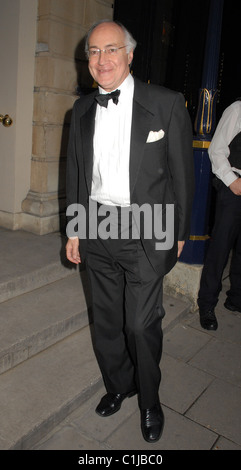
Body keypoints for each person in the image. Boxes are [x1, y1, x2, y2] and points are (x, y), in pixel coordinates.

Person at [65, 19, 194, 443]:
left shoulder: (167, 103)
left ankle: (150, 400)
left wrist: (179, 231)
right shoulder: (81, 109)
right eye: (94, 52)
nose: (102, 60)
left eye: (111, 49)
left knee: (140, 325)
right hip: (97, 225)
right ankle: (119, 385)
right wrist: (75, 229)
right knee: (106, 322)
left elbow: (181, 175)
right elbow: (77, 176)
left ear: (130, 54)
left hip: (146, 226)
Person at [198, 99, 241, 331]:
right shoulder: (237, 109)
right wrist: (233, 182)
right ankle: (206, 305)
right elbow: (216, 150)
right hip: (234, 186)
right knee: (220, 250)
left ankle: (236, 299)